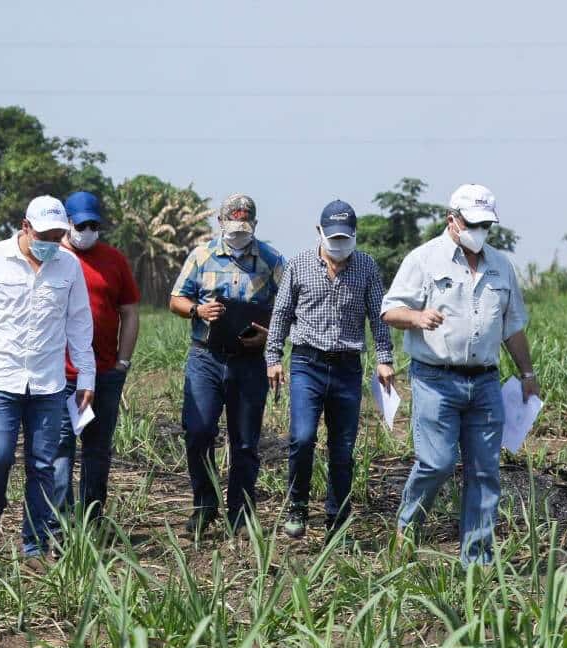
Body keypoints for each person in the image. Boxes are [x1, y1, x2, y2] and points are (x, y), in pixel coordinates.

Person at [380, 184, 539, 564]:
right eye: (473, 222)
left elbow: (512, 325)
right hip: (436, 378)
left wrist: (528, 372)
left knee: (485, 471)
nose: (479, 230)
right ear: (452, 220)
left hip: (485, 381)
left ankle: (478, 559)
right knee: (436, 463)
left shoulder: (502, 266)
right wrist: (417, 317)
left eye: (486, 224)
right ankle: (408, 527)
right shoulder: (423, 259)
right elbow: (390, 310)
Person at [0, 196, 95, 566]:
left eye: (59, 234)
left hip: (48, 382)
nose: (53, 241)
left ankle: (34, 545)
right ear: (25, 226)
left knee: (42, 465)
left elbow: (79, 323)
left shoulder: (69, 265)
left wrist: (87, 374)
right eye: (46, 234)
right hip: (1, 377)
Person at [266, 200, 396, 541]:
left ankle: (338, 519)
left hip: (346, 368)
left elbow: (378, 318)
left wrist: (385, 359)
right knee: (303, 437)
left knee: (343, 448)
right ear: (319, 233)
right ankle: (297, 506)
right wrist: (273, 357)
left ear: (354, 235)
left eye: (345, 237)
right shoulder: (299, 264)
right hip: (307, 363)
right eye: (333, 237)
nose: (339, 244)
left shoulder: (366, 266)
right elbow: (281, 314)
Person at [169, 193, 285, 536]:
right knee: (199, 430)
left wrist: (269, 336)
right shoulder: (201, 255)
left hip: (249, 361)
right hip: (206, 356)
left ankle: (241, 513)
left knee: (246, 441)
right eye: (232, 227)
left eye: (244, 227)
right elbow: (176, 298)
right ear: (220, 224)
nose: (238, 233)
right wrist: (197, 310)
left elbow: (290, 306)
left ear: (255, 225)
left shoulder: (271, 259)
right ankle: (204, 506)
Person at [52, 190, 141, 524]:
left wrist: (123, 362)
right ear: (67, 222)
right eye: (81, 224)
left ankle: (91, 518)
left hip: (104, 373)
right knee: (60, 449)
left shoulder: (113, 259)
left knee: (97, 450)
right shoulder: (52, 255)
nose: (87, 230)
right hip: (61, 375)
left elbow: (130, 311)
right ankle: (60, 523)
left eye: (93, 224)